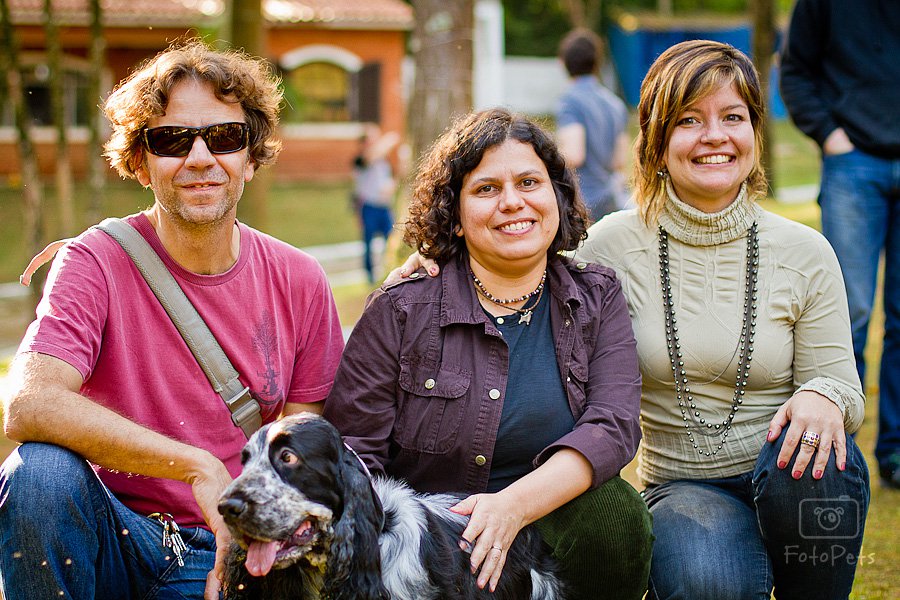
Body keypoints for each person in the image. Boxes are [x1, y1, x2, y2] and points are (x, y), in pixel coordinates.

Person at [395, 40, 871, 599]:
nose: (715, 136)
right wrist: (441, 263)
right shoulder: (607, 248)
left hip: (790, 472)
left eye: (733, 117)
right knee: (706, 584)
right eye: (689, 120)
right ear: (656, 141)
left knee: (822, 461)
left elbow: (844, 386)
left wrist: (823, 395)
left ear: (754, 134)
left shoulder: (805, 251)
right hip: (687, 489)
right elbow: (514, 266)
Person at [0, 40, 345, 599]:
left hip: (233, 546)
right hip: (111, 538)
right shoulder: (93, 261)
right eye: (171, 140)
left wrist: (255, 559)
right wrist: (195, 466)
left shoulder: (300, 279)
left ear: (251, 157)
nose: (201, 158)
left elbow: (304, 460)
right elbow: (28, 403)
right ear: (140, 163)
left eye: (225, 137)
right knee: (38, 473)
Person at [324, 108, 652, 600]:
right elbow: (354, 456)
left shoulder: (596, 297)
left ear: (557, 196)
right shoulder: (401, 309)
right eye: (486, 189)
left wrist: (511, 507)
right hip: (427, 554)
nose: (513, 202)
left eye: (529, 182)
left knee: (615, 515)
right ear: (454, 215)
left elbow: (613, 425)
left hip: (547, 531)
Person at [780, 0, 900, 490]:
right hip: (854, 163)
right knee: (848, 312)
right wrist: (830, 136)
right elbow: (794, 71)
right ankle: (835, 452)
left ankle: (895, 451)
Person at [556, 28, 630, 221]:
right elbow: (618, 161)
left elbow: (574, 154)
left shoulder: (570, 101)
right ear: (597, 63)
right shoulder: (615, 104)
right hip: (609, 198)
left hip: (582, 200)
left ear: (563, 63)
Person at [352, 124, 400, 282]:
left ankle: (389, 269)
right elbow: (374, 154)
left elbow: (392, 178)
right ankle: (370, 276)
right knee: (368, 243)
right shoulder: (360, 160)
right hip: (369, 206)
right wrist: (390, 139)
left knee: (391, 238)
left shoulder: (383, 162)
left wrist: (391, 186)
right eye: (372, 139)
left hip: (384, 206)